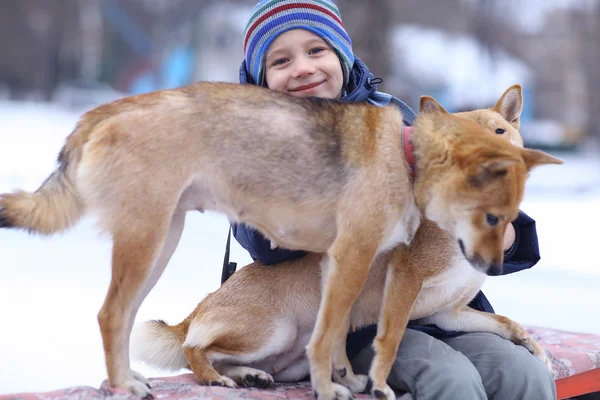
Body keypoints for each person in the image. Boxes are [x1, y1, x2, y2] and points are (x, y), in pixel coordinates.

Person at [230, 1, 556, 399]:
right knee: (449, 380)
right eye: (280, 60)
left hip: (437, 309)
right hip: (354, 326)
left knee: (522, 373)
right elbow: (263, 244)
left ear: (343, 57)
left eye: (317, 50)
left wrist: (512, 234)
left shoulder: (394, 119)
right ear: (259, 81)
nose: (302, 67)